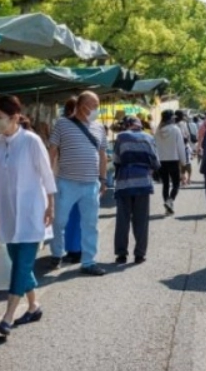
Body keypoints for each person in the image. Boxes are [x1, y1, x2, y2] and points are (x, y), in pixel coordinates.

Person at [0, 96, 56, 336]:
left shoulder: (31, 141)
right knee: (19, 262)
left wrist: (51, 205)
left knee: (21, 264)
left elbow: (47, 175)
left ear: (15, 117)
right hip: (7, 212)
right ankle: (34, 306)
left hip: (31, 211)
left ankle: (8, 316)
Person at [49, 90, 108, 276]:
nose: (97, 110)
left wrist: (103, 178)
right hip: (67, 182)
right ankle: (57, 253)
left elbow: (102, 154)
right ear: (82, 106)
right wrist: (47, 178)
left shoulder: (99, 127)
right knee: (58, 221)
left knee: (90, 224)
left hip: (91, 184)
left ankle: (89, 261)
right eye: (94, 106)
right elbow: (52, 151)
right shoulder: (62, 124)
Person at [112, 116, 161, 264]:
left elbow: (116, 160)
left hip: (124, 183)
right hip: (143, 183)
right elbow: (156, 162)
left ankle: (121, 255)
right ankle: (139, 254)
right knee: (141, 220)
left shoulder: (121, 137)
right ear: (139, 125)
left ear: (126, 125)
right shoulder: (149, 138)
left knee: (123, 219)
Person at [58, 96, 82, 264]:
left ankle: (73, 250)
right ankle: (77, 249)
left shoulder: (62, 127)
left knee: (69, 217)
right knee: (78, 216)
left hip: (67, 177)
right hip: (82, 177)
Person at [155, 109, 187, 215]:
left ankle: (168, 206)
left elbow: (154, 147)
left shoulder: (157, 131)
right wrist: (184, 162)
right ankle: (170, 201)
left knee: (165, 185)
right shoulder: (175, 129)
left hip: (161, 161)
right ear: (171, 119)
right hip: (173, 160)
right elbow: (180, 147)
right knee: (176, 184)